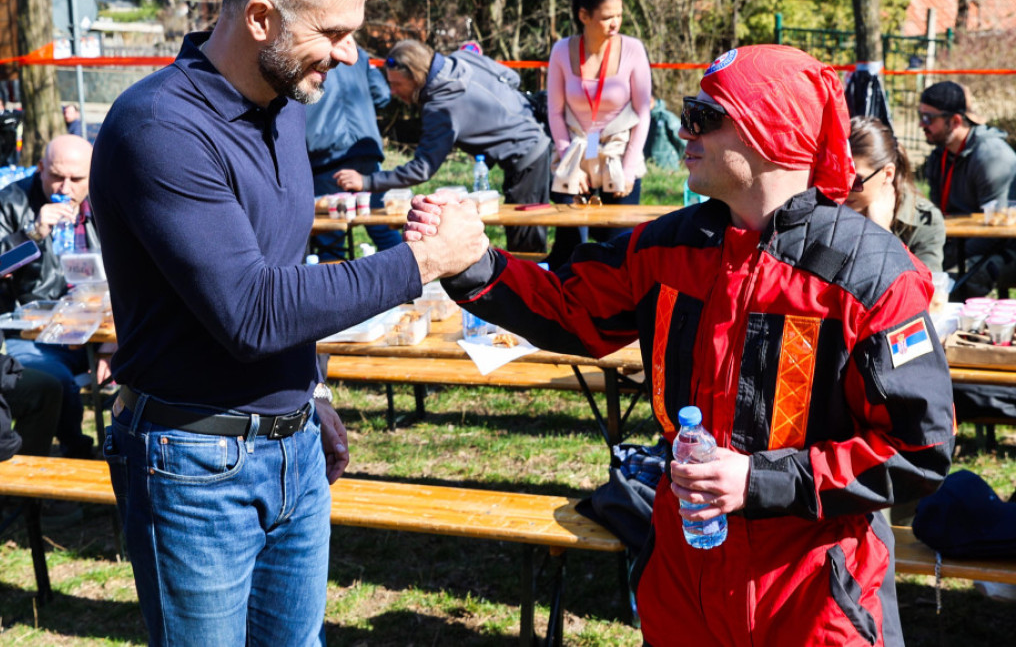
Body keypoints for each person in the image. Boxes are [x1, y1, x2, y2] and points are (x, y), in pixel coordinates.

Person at [409, 44, 954, 646]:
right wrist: (475, 265)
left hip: (811, 594)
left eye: (703, 116)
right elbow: (571, 309)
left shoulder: (871, 273)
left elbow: (917, 451)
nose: (681, 129)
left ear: (768, 131)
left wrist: (759, 480)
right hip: (685, 577)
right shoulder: (670, 245)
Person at [89, 0, 486, 645]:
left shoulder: (283, 110)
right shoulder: (159, 128)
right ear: (262, 18)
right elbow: (253, 311)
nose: (348, 55)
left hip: (295, 448)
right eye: (332, 34)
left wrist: (311, 392)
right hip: (195, 462)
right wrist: (425, 261)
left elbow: (280, 270)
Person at [333, 38, 551, 254]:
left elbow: (423, 168)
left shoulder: (441, 107)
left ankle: (538, 288)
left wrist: (367, 181)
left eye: (397, 84)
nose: (393, 92)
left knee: (526, 248)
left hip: (527, 157)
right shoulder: (462, 58)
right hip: (535, 142)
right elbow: (512, 78)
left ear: (416, 76)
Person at [0, 134, 102, 460]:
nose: (65, 188)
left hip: (102, 331)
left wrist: (113, 345)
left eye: (76, 179)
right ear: (40, 168)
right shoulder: (9, 202)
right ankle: (74, 457)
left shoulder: (107, 199)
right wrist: (31, 235)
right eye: (56, 175)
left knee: (147, 371)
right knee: (55, 381)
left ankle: (126, 465)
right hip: (35, 332)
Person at [545, 0, 651, 269]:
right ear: (584, 16)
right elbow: (554, 111)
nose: (615, 23)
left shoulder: (632, 49)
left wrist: (628, 171)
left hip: (618, 153)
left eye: (619, 15)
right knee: (568, 249)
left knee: (621, 249)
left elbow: (643, 112)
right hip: (577, 150)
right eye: (607, 17)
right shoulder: (562, 51)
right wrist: (570, 165)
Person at [305, 45, 402, 261]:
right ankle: (411, 283)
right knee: (382, 227)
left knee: (331, 236)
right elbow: (383, 95)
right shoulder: (356, 52)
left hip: (325, 155)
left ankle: (335, 291)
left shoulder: (306, 50)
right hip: (365, 149)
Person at [920, 80, 1016, 296]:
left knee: (955, 283)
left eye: (928, 118)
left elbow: (997, 228)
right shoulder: (939, 156)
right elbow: (937, 215)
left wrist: (949, 262)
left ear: (954, 121)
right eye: (920, 116)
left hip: (1005, 247)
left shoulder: (991, 156)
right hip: (960, 244)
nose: (921, 124)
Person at [847, 116, 945, 272]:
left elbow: (923, 293)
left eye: (855, 181)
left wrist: (882, 233)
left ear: (887, 174)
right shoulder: (825, 208)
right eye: (837, 176)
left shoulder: (923, 221)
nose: (843, 188)